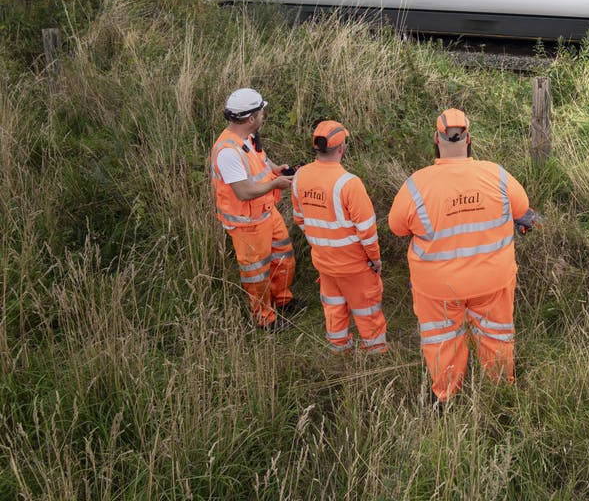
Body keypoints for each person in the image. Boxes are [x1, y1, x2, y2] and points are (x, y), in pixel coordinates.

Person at [388, 109, 536, 405]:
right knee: (496, 333)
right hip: (492, 281)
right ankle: (500, 390)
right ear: (469, 139)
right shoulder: (497, 174)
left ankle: (444, 395)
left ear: (436, 139)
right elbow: (523, 212)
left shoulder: (416, 185)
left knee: (442, 338)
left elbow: (397, 228)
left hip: (438, 288)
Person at [209, 88, 302, 331]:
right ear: (251, 118)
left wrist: (278, 170)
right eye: (261, 111)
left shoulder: (248, 136)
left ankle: (282, 301)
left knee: (284, 258)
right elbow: (243, 191)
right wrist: (275, 183)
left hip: (266, 213)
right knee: (256, 274)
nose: (263, 115)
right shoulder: (228, 152)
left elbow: (261, 161)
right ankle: (265, 319)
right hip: (247, 224)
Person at [291, 121, 387, 353]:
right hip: (354, 264)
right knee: (366, 309)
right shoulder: (349, 183)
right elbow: (366, 230)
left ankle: (338, 347)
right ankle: (374, 352)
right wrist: (375, 259)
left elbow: (300, 219)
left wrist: (321, 243)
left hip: (323, 261)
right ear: (341, 147)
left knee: (333, 305)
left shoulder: (299, 176)